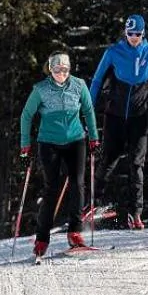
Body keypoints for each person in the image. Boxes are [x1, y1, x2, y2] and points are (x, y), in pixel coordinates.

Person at [88, 14, 148, 229]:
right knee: (108, 161)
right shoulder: (113, 52)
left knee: (137, 164)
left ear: (143, 33)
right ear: (125, 33)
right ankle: (90, 206)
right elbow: (97, 80)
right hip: (115, 116)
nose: (133, 38)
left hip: (139, 117)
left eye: (137, 34)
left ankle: (135, 214)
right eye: (130, 34)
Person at [19, 51, 99, 259]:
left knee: (77, 183)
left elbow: (89, 111)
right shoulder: (41, 90)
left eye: (64, 70)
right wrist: (25, 144)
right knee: (51, 188)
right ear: (50, 69)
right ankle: (42, 238)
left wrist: (94, 137)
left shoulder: (79, 85)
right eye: (57, 70)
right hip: (49, 143)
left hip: (76, 140)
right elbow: (27, 115)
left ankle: (75, 232)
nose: (61, 74)